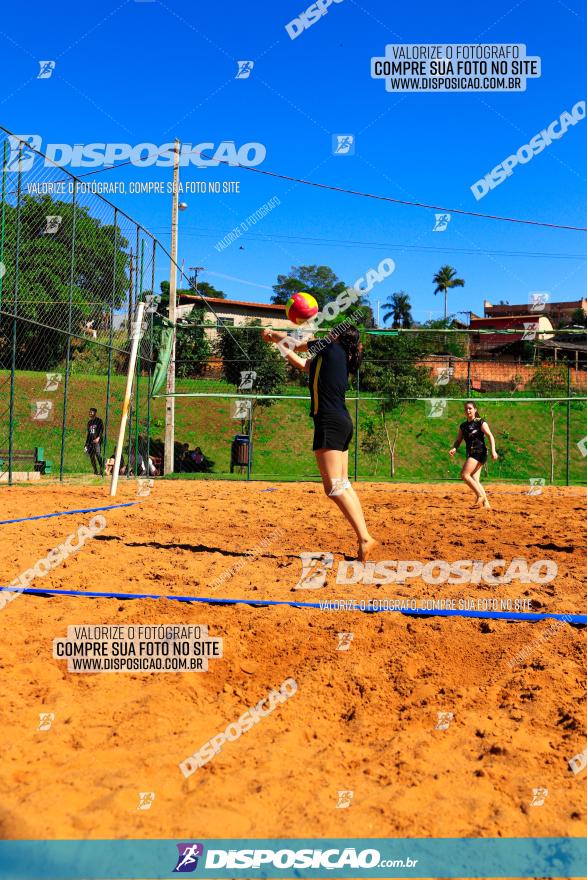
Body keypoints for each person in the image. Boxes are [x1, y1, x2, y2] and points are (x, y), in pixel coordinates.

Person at [263, 326, 377, 563]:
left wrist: (274, 334)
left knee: (334, 488)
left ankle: (365, 537)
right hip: (342, 421)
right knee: (343, 484)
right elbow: (303, 364)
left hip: (330, 421)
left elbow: (298, 345)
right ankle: (364, 537)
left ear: (337, 337)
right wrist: (277, 344)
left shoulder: (329, 347)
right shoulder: (337, 357)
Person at [449, 401, 498, 508]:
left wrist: (494, 451)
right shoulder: (463, 426)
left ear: (475, 410)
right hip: (472, 453)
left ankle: (480, 496)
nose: (468, 410)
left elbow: (490, 436)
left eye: (470, 408)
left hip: (479, 452)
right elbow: (458, 440)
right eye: (466, 409)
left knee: (464, 475)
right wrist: (454, 448)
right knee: (475, 479)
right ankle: (486, 505)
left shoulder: (480, 422)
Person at [85, 407, 104, 476]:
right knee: (91, 456)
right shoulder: (89, 422)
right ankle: (95, 470)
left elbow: (101, 430)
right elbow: (89, 433)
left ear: (95, 413)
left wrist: (98, 438)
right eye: (89, 412)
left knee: (98, 454)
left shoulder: (99, 421)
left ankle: (102, 468)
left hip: (97, 441)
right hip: (90, 441)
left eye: (91, 412)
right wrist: (86, 443)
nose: (90, 413)